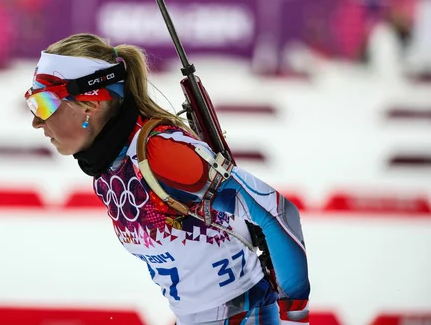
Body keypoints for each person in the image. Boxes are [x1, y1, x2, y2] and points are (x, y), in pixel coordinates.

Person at [25, 33, 310, 325]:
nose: (36, 120)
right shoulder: (108, 168)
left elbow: (277, 212)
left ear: (90, 104)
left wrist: (294, 319)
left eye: (43, 104)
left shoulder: (161, 154)